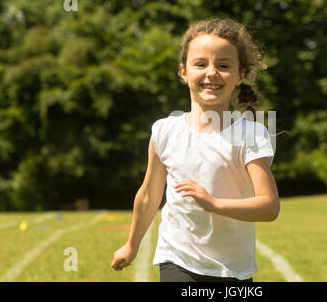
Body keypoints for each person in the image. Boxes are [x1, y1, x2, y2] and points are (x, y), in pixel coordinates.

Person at [111, 17, 279, 282]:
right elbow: (148, 195)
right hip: (177, 259)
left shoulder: (252, 134)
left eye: (223, 65)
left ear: (240, 75)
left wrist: (214, 204)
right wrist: (131, 245)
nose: (211, 72)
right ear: (183, 71)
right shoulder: (165, 131)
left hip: (232, 269)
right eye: (200, 64)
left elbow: (269, 207)